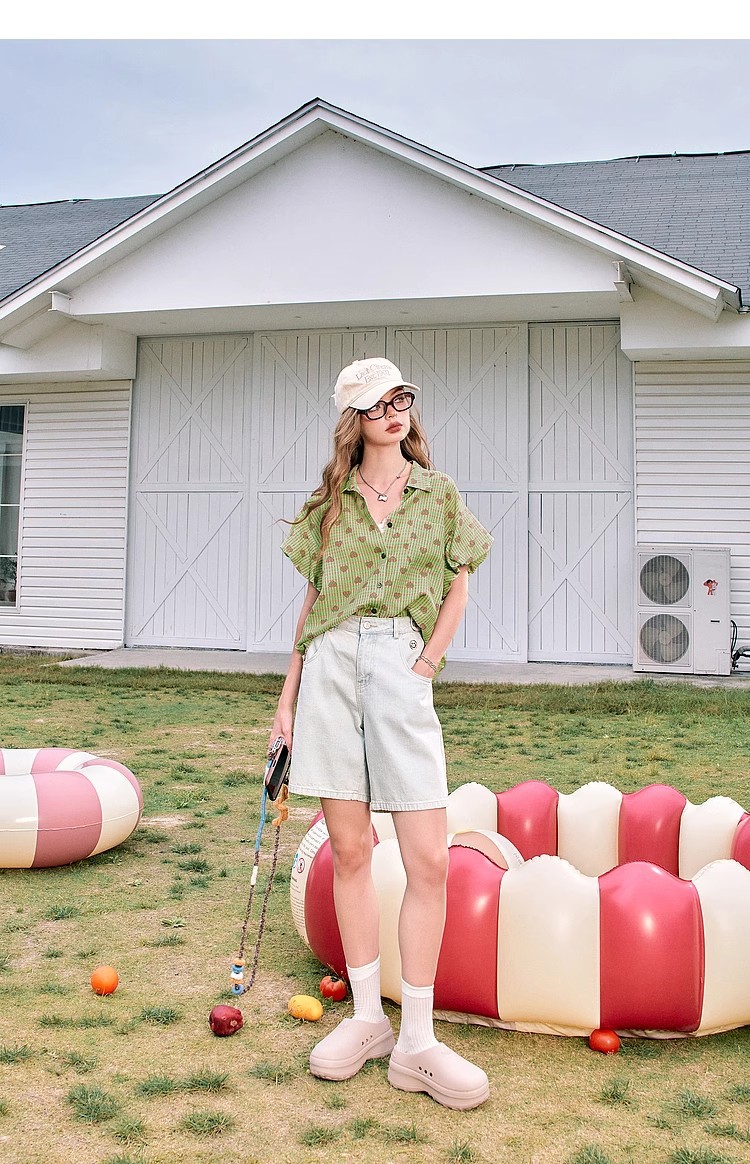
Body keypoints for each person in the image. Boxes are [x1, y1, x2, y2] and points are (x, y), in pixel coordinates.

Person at [268, 357, 494, 1111]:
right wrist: (287, 702)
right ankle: (367, 1019)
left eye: (401, 400)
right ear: (355, 421)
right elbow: (311, 603)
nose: (393, 413)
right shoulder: (330, 503)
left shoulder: (438, 494)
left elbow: (459, 583)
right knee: (351, 851)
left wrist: (428, 660)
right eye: (376, 405)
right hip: (330, 667)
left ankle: (417, 1042)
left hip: (403, 662)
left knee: (429, 859)